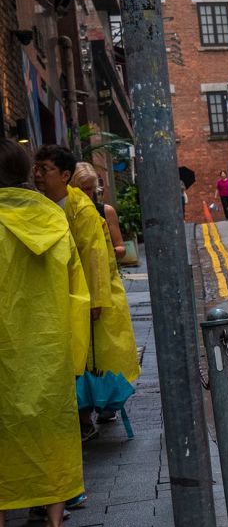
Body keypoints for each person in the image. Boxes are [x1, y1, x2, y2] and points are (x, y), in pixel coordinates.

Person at [0, 139, 90, 527]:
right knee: (54, 435)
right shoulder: (55, 222)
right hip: (50, 350)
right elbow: (77, 294)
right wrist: (74, 357)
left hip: (4, 352)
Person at [34, 146, 140, 445]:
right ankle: (86, 414)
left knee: (91, 357)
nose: (38, 174)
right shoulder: (45, 205)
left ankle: (88, 416)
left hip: (87, 297)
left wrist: (94, 301)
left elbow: (95, 257)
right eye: (36, 168)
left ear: (64, 175)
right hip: (61, 297)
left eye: (45, 169)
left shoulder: (81, 209)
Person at [73, 164, 126, 261]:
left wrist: (106, 251)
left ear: (94, 188)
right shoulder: (66, 212)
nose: (84, 193)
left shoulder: (106, 211)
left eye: (88, 189)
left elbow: (121, 249)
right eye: (80, 189)